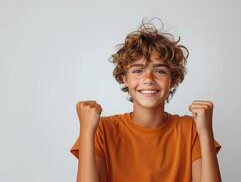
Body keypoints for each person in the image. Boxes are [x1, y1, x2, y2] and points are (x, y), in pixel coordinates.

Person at [70, 18, 222, 182]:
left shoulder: (192, 130)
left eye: (160, 71)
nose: (148, 78)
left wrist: (206, 132)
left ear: (174, 79)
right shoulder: (101, 130)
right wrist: (86, 131)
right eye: (137, 71)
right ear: (124, 78)